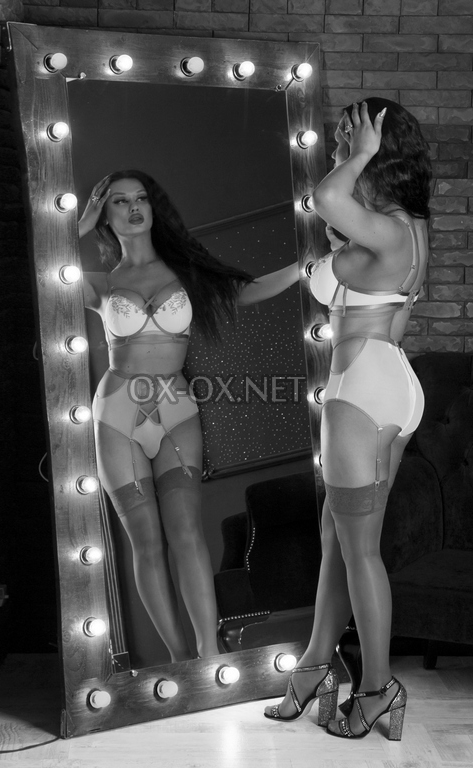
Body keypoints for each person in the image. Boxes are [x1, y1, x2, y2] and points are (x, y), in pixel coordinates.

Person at [79, 170, 300, 662]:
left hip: (176, 410)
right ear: (105, 214)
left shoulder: (187, 273)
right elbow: (44, 274)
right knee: (146, 543)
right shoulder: (98, 284)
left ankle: (208, 656)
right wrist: (79, 224)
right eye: (119, 202)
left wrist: (307, 267)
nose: (133, 208)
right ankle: (180, 661)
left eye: (141, 198)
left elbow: (250, 289)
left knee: (186, 533)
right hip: (117, 413)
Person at [264, 98, 431, 740]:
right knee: (338, 538)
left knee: (360, 550)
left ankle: (378, 688)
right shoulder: (404, 225)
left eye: (347, 137)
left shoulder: (387, 227)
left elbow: (326, 198)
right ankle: (314, 665)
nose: (338, 146)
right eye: (341, 137)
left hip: (359, 390)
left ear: (378, 146)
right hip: (389, 382)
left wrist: (358, 154)